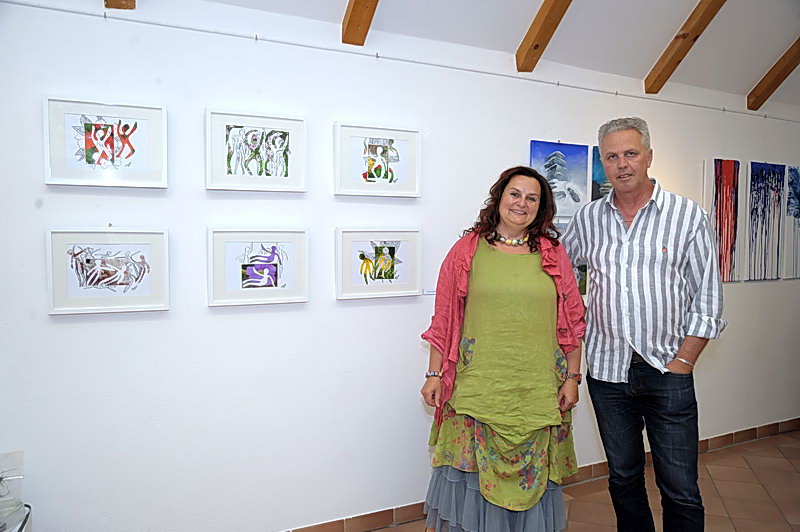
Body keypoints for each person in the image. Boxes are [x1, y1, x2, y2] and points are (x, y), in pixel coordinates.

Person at [562, 117, 726, 532]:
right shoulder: (587, 219)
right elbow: (558, 274)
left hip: (667, 371)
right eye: (612, 157)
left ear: (649, 156)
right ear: (603, 163)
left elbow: (708, 298)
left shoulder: (687, 216)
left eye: (631, 153)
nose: (622, 164)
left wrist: (684, 362)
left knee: (680, 487)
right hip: (607, 374)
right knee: (623, 479)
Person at [420, 166, 586, 531]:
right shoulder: (466, 251)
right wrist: (434, 373)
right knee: (472, 480)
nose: (521, 203)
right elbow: (445, 317)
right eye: (515, 194)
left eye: (532, 198)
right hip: (478, 388)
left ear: (541, 208)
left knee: (533, 484)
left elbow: (573, 323)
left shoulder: (553, 255)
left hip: (536, 390)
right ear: (499, 198)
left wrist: (572, 378)